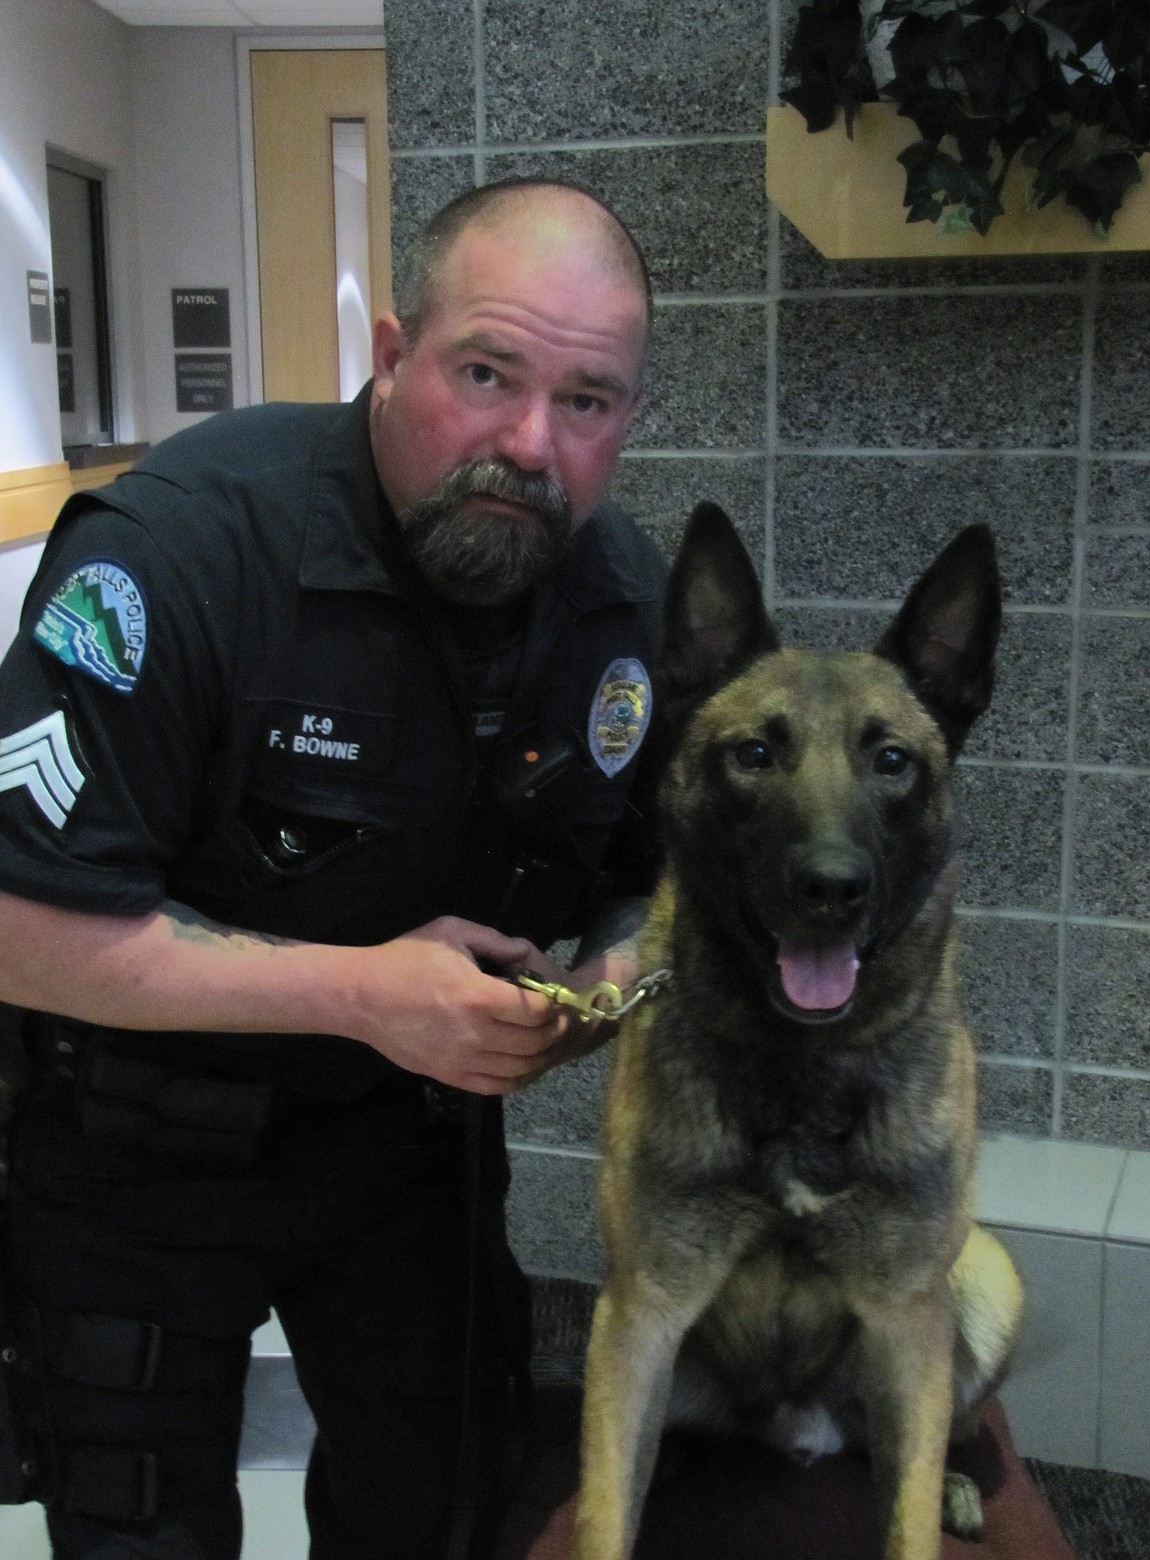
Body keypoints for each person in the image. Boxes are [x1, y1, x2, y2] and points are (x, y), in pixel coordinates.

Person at [0, 179, 665, 1560]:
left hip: (405, 1160)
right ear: (388, 352)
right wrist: (364, 994)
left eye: (588, 401)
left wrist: (603, 983)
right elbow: (19, 927)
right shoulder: (180, 550)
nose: (530, 444)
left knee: (437, 1516)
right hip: (136, 1153)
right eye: (486, 374)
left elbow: (660, 883)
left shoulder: (618, 599)